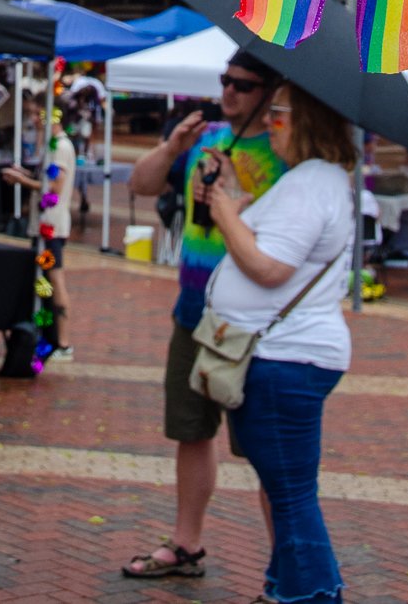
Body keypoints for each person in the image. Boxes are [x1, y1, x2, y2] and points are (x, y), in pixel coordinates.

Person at [122, 51, 283, 582]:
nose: (229, 91)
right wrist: (173, 147)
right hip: (193, 311)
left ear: (268, 92)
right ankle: (186, 543)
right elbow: (141, 186)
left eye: (243, 84)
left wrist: (232, 195)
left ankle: (284, 564)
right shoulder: (205, 139)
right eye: (225, 81)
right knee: (191, 431)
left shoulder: (284, 152)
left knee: (263, 447)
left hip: (249, 323)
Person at [208, 80, 355, 604]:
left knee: (291, 497)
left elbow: (269, 267)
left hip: (286, 358)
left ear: (306, 120)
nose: (269, 123)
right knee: (287, 489)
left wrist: (223, 211)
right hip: (284, 355)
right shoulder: (311, 181)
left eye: (277, 114)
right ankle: (285, 588)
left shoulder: (312, 182)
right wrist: (232, 195)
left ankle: (313, 595)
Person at [2, 98, 77, 359]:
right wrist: (25, 174)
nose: (35, 120)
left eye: (39, 114)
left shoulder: (61, 148)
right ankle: (49, 335)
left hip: (51, 227)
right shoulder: (51, 146)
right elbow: (46, 180)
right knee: (43, 280)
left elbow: (54, 189)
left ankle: (63, 341)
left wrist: (22, 180)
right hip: (43, 226)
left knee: (54, 280)